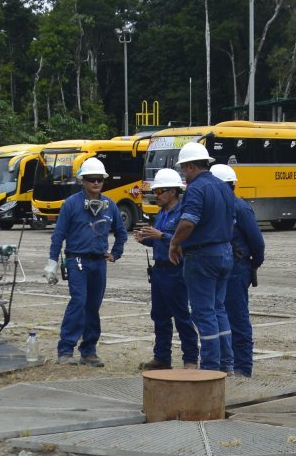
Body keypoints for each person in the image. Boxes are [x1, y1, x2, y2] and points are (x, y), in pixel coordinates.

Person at [45, 157, 127, 367]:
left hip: (98, 262)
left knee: (93, 306)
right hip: (77, 260)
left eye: (99, 179)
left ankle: (89, 351)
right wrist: (52, 261)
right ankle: (65, 349)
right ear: (83, 180)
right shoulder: (71, 204)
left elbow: (121, 231)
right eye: (91, 179)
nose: (96, 183)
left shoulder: (109, 205)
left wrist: (115, 253)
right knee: (79, 301)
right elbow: (59, 234)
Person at [167, 142, 235, 372]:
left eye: (183, 169)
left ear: (189, 167)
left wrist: (174, 242)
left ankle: (210, 368)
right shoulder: (223, 187)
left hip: (203, 255)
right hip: (225, 252)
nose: (183, 175)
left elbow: (188, 222)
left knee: (204, 313)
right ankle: (226, 364)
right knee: (218, 310)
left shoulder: (197, 188)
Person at [132, 168, 198, 370]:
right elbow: (160, 242)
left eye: (160, 191)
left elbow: (183, 242)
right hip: (159, 271)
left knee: (181, 317)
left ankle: (190, 359)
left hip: (175, 271)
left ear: (173, 192)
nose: (156, 195)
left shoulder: (182, 215)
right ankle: (162, 357)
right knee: (159, 316)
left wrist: (160, 236)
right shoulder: (162, 214)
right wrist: (146, 240)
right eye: (156, 191)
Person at [211, 164, 266, 378]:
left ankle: (243, 368)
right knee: (219, 317)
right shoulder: (218, 208)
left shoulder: (239, 208)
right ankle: (227, 363)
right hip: (222, 268)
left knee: (238, 319)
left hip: (237, 269)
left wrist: (252, 265)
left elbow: (257, 243)